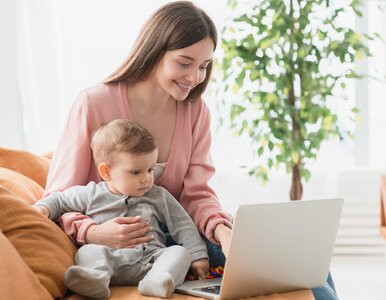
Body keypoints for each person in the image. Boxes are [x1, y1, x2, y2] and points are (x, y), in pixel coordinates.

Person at [43, 1, 338, 299]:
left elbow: (197, 194)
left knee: (308, 266)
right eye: (184, 63)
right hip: (120, 247)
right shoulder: (93, 104)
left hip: (182, 238)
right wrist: (92, 232)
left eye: (204, 66)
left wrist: (224, 232)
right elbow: (60, 194)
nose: (195, 77)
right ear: (155, 51)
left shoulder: (195, 112)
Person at [34, 119, 209, 299]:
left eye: (150, 170)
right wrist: (43, 209)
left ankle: (158, 281)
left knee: (179, 253)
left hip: (151, 261)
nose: (146, 179)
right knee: (88, 251)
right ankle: (95, 281)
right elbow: (60, 199)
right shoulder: (91, 193)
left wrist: (198, 255)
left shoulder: (159, 195)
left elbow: (183, 224)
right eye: (136, 172)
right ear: (106, 172)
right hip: (109, 260)